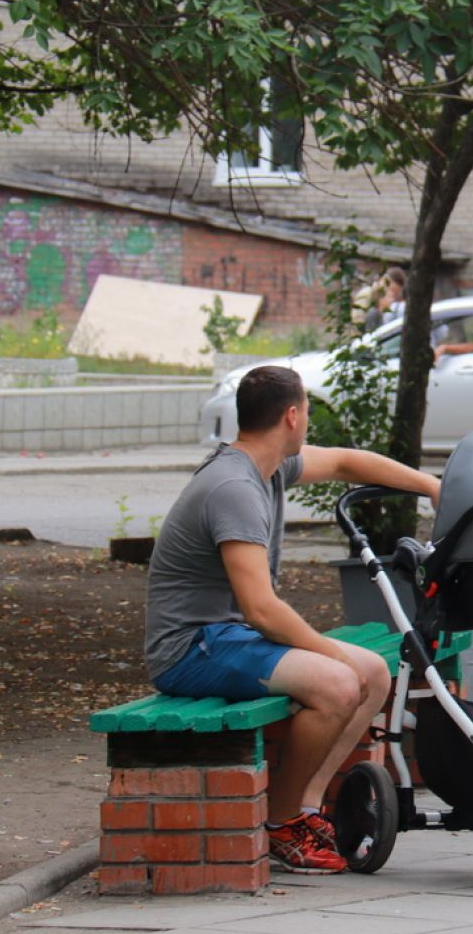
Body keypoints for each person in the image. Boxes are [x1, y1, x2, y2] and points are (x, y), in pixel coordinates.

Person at [144, 365, 440, 874]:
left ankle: (303, 808)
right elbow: (261, 609)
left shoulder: (270, 466)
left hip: (229, 637)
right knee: (338, 683)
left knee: (372, 673)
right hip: (193, 647)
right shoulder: (233, 488)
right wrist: (326, 653)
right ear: (293, 415)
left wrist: (432, 486)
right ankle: (279, 823)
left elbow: (347, 463)